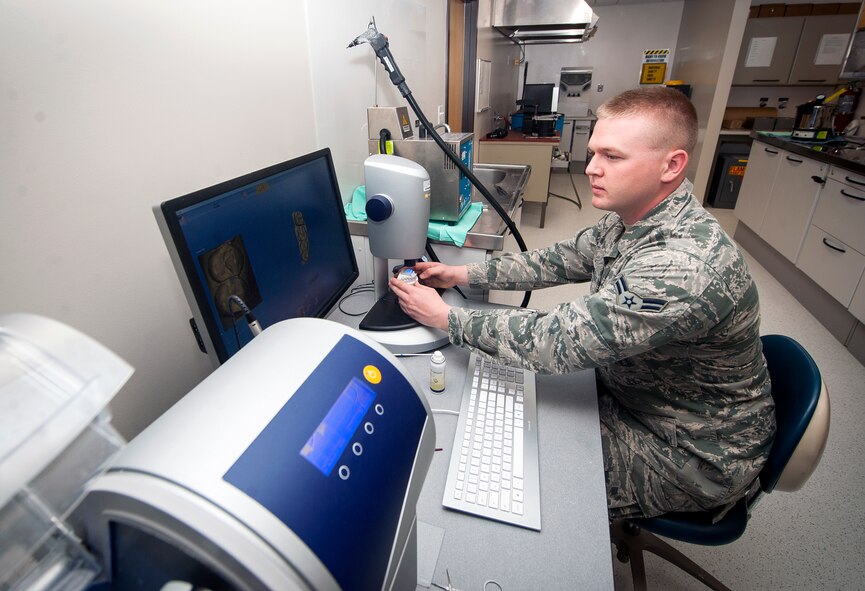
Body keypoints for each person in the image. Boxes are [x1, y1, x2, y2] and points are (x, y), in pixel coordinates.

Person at [388, 86, 776, 520]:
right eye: (593, 153)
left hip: (687, 450)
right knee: (504, 428)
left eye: (612, 156)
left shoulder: (681, 265)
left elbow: (555, 343)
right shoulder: (635, 218)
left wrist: (447, 318)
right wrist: (463, 273)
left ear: (672, 166)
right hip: (637, 395)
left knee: (513, 477)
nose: (591, 168)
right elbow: (557, 260)